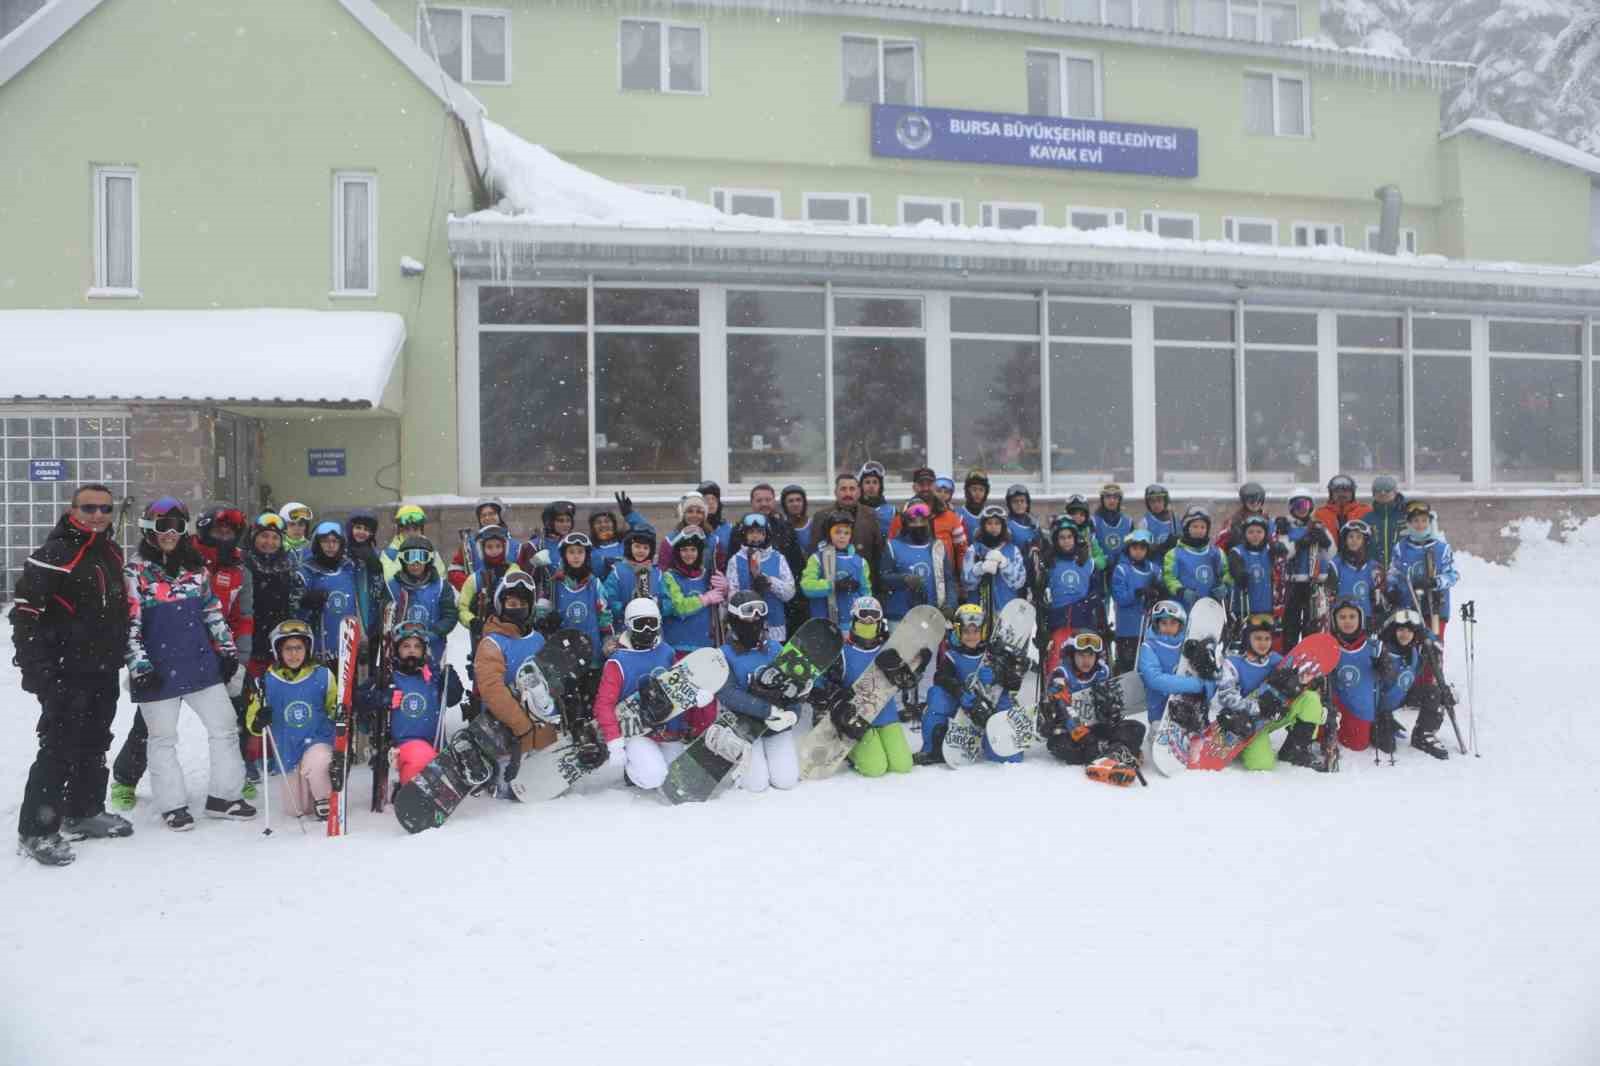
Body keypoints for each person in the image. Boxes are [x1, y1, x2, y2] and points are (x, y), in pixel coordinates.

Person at [12, 483, 133, 866]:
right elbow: (25, 615)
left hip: (102, 668)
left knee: (96, 740)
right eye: (89, 507)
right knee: (59, 745)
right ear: (72, 510)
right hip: (64, 670)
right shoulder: (53, 554)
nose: (97, 515)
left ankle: (84, 810)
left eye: (105, 508)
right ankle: (37, 829)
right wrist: (38, 671)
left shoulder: (109, 552)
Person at [112, 505, 257, 806]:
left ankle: (226, 793)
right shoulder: (136, 571)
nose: (170, 533)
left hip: (201, 659)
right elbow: (129, 624)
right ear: (149, 528)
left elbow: (216, 612)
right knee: (157, 734)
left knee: (226, 725)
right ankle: (153, 794)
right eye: (163, 525)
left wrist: (230, 653)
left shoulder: (202, 569)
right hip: (159, 663)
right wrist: (140, 667)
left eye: (177, 526)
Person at [471, 571, 562, 784]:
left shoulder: (537, 638)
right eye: (511, 603)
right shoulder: (492, 643)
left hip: (542, 730)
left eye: (522, 603)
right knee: (511, 788)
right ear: (501, 606)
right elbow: (493, 691)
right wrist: (521, 726)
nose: (517, 608)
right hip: (508, 734)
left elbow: (548, 679)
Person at [712, 591, 806, 793]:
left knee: (786, 780)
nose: (754, 619)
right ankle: (740, 758)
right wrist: (767, 710)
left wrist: (793, 714)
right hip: (744, 726)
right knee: (757, 784)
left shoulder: (775, 648)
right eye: (748, 614)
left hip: (775, 725)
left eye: (759, 613)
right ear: (734, 619)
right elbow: (728, 694)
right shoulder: (723, 655)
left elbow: (792, 685)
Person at [1211, 614, 1329, 771]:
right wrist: (1257, 707)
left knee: (1310, 698)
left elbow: (1297, 684)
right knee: (1262, 764)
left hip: (1274, 715)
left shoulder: (1276, 660)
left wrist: (1309, 684)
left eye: (1267, 639)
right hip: (1248, 723)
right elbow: (1227, 697)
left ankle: (1296, 750)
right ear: (1247, 639)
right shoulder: (1233, 664)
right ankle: (1243, 748)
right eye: (1258, 638)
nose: (1263, 643)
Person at [246, 619, 337, 819]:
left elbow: (333, 707)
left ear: (308, 649)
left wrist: (339, 714)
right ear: (278, 650)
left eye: (299, 648)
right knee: (297, 810)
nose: (294, 654)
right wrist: (258, 720)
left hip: (317, 740)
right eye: (288, 648)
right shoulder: (267, 681)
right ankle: (310, 796)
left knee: (318, 761)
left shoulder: (323, 676)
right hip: (287, 749)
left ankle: (325, 798)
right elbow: (253, 719)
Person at [590, 598, 683, 790]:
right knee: (654, 777)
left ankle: (651, 761)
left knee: (676, 777)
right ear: (629, 625)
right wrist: (614, 741)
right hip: (634, 732)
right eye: (640, 625)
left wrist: (696, 699)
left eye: (652, 624)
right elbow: (604, 705)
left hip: (664, 728)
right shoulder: (618, 662)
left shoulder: (666, 652)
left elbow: (679, 687)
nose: (647, 631)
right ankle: (633, 773)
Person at [913, 603, 1023, 766]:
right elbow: (941, 677)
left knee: (1006, 757)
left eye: (976, 631)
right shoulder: (953, 655)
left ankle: (995, 741)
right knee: (936, 695)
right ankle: (933, 749)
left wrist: (998, 675)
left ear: (984, 631)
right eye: (966, 632)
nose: (971, 636)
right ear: (958, 632)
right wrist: (958, 690)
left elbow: (1015, 683)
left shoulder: (995, 654)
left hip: (992, 708)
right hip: (965, 706)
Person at [365, 620, 464, 787]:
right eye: (406, 646)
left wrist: (449, 679)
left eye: (417, 647)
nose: (412, 650)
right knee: (421, 761)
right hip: (405, 744)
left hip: (436, 743)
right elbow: (362, 697)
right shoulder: (389, 677)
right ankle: (414, 792)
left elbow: (453, 699)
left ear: (424, 650)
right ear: (397, 649)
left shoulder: (432, 676)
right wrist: (383, 697)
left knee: (454, 764)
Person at [1036, 632, 1145, 781]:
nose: (1086, 660)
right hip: (1069, 732)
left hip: (1096, 727)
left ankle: (1112, 754)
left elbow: (1113, 708)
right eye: (1081, 655)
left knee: (1137, 727)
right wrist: (1081, 734)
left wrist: (1111, 711)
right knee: (1060, 746)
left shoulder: (1101, 673)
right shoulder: (1061, 675)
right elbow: (1062, 707)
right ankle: (1114, 753)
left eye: (1090, 656)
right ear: (1072, 655)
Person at [832, 597, 915, 778]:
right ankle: (851, 753)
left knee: (903, 765)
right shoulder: (843, 652)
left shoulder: (888, 649)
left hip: (887, 714)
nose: (869, 620)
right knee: (875, 768)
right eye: (863, 615)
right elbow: (830, 685)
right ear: (854, 618)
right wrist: (840, 700)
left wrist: (903, 673)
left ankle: (879, 741)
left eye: (874, 615)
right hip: (859, 719)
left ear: (880, 620)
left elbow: (908, 680)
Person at [1373, 608, 1450, 760]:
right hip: (1379, 704)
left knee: (1433, 692)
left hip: (1402, 696)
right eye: (1401, 629)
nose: (1405, 634)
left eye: (1409, 631)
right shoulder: (1383, 651)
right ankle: (1381, 723)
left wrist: (1432, 643)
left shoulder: (1414, 651)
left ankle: (1422, 734)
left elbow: (1427, 634)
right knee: (1388, 746)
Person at [1327, 599, 1395, 752]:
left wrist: (1384, 667)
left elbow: (1390, 676)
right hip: (1336, 707)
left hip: (1360, 709)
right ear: (1334, 621)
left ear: (1361, 619)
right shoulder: (1330, 645)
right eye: (1342, 617)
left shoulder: (1373, 646)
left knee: (1358, 745)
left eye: (1352, 617)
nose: (1348, 621)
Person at [1135, 600, 1216, 725]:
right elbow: (1155, 679)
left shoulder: (1187, 645)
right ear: (1157, 624)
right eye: (1163, 623)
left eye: (1173, 623)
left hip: (1188, 710)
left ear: (1181, 625)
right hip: (1160, 714)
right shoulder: (1149, 647)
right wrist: (1195, 685)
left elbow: (1207, 677)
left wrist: (1206, 688)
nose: (1168, 627)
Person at [1387, 500, 1458, 642]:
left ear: (1430, 522)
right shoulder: (1401, 548)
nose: (1420, 525)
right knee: (1411, 647)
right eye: (1416, 521)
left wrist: (1435, 582)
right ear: (1409, 524)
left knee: (1432, 648)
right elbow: (1393, 574)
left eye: (1424, 521)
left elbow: (1453, 575)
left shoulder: (1441, 548)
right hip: (1408, 606)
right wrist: (1391, 590)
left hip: (1434, 608)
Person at [385, 535, 457, 667]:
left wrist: (435, 632)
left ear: (429, 560)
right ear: (402, 560)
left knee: (431, 681)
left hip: (433, 648)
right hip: (402, 650)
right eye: (410, 557)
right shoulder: (393, 586)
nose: (415, 563)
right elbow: (386, 620)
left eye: (421, 557)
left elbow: (450, 615)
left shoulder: (441, 586)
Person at [1038, 517, 1099, 674]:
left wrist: (1087, 605)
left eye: (1069, 537)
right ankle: (1055, 692)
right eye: (1062, 538)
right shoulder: (1049, 563)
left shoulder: (1087, 562)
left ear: (1075, 538)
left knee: (1085, 661)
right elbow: (1040, 594)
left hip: (1084, 621)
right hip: (1059, 622)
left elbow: (1098, 592)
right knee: (1057, 661)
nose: (1066, 541)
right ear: (1056, 540)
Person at [299, 520, 365, 663]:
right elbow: (293, 607)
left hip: (346, 646)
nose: (330, 546)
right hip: (318, 647)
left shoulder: (349, 568)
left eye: (335, 541)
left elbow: (361, 604)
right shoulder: (307, 571)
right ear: (317, 544)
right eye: (325, 541)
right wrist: (305, 601)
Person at [725, 512, 797, 641]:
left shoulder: (778, 558)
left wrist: (769, 582)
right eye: (751, 532)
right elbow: (732, 595)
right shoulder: (736, 560)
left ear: (766, 534)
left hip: (774, 625)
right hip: (745, 624)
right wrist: (747, 595)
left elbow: (789, 593)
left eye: (759, 532)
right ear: (744, 535)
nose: (755, 536)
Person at [880, 501, 955, 623]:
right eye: (913, 521)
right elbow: (882, 578)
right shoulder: (892, 546)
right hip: (901, 616)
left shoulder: (937, 547)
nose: (919, 525)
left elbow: (948, 579)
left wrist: (950, 605)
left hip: (932, 615)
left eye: (923, 521)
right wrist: (903, 579)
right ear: (906, 523)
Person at [805, 474, 884, 585]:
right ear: (835, 492)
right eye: (843, 489)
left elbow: (878, 553)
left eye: (852, 489)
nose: (848, 494)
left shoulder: (871, 515)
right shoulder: (821, 516)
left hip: (863, 584)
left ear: (859, 492)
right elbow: (814, 551)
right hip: (830, 584)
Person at [1278, 493, 1333, 649]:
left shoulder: (1318, 527)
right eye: (1298, 506)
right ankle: (1290, 652)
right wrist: (1300, 544)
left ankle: (1313, 651)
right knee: (1291, 622)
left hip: (1316, 582)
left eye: (1306, 506)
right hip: (1295, 581)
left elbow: (1332, 554)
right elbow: (1284, 553)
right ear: (1291, 508)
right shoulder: (1288, 528)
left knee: (1313, 621)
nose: (1302, 510)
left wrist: (1324, 541)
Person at [662, 529, 727, 655]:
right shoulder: (669, 577)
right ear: (677, 552)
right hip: (678, 646)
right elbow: (677, 607)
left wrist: (725, 589)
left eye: (693, 550)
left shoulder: (707, 575)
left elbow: (722, 608)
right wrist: (705, 599)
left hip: (705, 644)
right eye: (684, 550)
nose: (689, 554)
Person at [546, 531, 613, 651]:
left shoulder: (595, 584)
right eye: (571, 552)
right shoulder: (554, 584)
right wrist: (547, 622)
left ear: (586, 556)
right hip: (562, 652)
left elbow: (604, 617)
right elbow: (542, 613)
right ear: (564, 556)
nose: (576, 556)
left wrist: (607, 640)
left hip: (592, 650)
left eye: (580, 552)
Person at [801, 511, 871, 623]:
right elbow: (807, 587)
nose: (842, 536)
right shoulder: (817, 558)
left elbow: (866, 594)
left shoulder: (860, 562)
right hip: (825, 622)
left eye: (847, 532)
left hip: (851, 622)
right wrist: (833, 586)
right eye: (837, 532)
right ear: (828, 533)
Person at [1109, 529, 1162, 674]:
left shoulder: (1154, 569)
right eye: (1135, 548)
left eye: (1142, 548)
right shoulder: (1122, 570)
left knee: (1147, 666)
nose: (1138, 551)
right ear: (1128, 548)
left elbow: (1162, 590)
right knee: (1127, 667)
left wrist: (1157, 591)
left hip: (1148, 629)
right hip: (1128, 630)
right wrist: (1138, 592)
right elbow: (1120, 597)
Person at [961, 504, 1027, 613]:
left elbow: (1020, 582)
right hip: (978, 612)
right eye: (989, 523)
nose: (993, 527)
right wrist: (979, 569)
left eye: (997, 523)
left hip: (1005, 611)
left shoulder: (1013, 550)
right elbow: (966, 582)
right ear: (983, 526)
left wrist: (1006, 565)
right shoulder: (974, 549)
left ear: (1003, 526)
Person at [1163, 507, 1229, 608]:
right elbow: (1169, 578)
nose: (1199, 530)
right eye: (1195, 526)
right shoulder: (1174, 554)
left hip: (1211, 609)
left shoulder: (1217, 553)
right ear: (1186, 528)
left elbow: (1227, 572)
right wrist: (1181, 590)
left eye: (1203, 527)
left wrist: (1225, 586)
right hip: (1183, 608)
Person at [448, 499, 522, 588]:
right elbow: (454, 571)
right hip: (479, 598)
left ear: (499, 516)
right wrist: (472, 584)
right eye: (483, 515)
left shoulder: (516, 546)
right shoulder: (470, 545)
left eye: (491, 514)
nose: (487, 518)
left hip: (508, 597)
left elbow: (524, 573)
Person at [344, 509, 388, 657]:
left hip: (370, 616)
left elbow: (379, 589)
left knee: (368, 661)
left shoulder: (376, 554)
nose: (362, 532)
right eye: (358, 528)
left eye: (366, 529)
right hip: (347, 614)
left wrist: (375, 568)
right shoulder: (342, 553)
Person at [1325, 519, 1384, 623]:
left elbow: (1379, 598)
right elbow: (1328, 596)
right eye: (1351, 536)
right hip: (1342, 622)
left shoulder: (1374, 567)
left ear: (1365, 541)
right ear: (1345, 540)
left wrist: (1377, 616)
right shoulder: (1335, 565)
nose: (1354, 540)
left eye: (1358, 537)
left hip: (1367, 621)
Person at [1225, 515, 1277, 631]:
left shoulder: (1269, 550)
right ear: (1244, 534)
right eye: (1251, 532)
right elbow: (1235, 568)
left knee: (1263, 638)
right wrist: (1240, 574)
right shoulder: (1237, 552)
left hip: (1265, 605)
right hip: (1244, 606)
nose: (1255, 535)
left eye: (1259, 532)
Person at [606, 527, 667, 609]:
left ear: (650, 551)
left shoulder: (657, 573)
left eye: (645, 548)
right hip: (625, 620)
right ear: (629, 547)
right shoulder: (618, 572)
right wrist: (626, 607)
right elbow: (608, 600)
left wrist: (659, 605)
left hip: (652, 619)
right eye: (637, 546)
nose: (641, 551)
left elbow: (668, 601)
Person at [382, 504, 446, 582]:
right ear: (400, 531)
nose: (411, 533)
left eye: (415, 529)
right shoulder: (390, 554)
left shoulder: (431, 553)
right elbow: (389, 580)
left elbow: (440, 578)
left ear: (421, 530)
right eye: (407, 529)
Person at [517, 500, 577, 574]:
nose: (565, 524)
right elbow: (522, 576)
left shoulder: (573, 543)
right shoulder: (534, 546)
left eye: (568, 520)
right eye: (560, 521)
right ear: (549, 522)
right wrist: (533, 564)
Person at [1366, 475, 1407, 575]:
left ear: (1395, 492)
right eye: (1378, 490)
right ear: (1373, 494)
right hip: (1374, 575)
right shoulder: (1367, 519)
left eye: (1387, 489)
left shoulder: (1407, 516)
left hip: (1402, 574)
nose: (1383, 493)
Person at [1090, 483, 1133, 577]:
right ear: (1102, 499)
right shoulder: (1093, 522)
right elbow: (1091, 548)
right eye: (1108, 497)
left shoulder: (1128, 522)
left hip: (1122, 571)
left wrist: (1121, 562)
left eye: (1115, 497)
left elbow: (1130, 547)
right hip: (1100, 573)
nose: (1112, 500)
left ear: (1119, 500)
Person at [1214, 482, 1269, 554]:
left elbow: (1272, 538)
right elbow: (1220, 544)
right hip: (1240, 557)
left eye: (1258, 501)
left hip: (1261, 557)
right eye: (1251, 502)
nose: (1255, 504)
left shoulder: (1266, 518)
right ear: (1244, 501)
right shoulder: (1234, 520)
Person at [1313, 475, 1372, 542]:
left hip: (1356, 551)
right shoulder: (1321, 513)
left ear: (1352, 493)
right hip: (1330, 551)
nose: (1341, 494)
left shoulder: (1364, 511)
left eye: (1346, 491)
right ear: (1331, 493)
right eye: (1337, 491)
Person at [1059, 495, 1107, 572]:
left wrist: (1090, 562)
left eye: (1081, 514)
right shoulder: (1060, 533)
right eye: (1073, 514)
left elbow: (1102, 561)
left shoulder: (1088, 535)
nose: (1077, 517)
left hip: (1085, 576)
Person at [1138, 484, 1179, 566]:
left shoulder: (1174, 519)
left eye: (1159, 500)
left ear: (1165, 501)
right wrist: (1159, 547)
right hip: (1154, 565)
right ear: (1148, 503)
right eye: (1152, 502)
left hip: (1172, 564)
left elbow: (1181, 541)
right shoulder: (1145, 522)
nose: (1156, 504)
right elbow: (1142, 548)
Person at [697, 481, 735, 564]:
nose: (711, 502)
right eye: (706, 499)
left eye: (713, 499)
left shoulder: (729, 528)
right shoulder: (694, 528)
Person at [1003, 484, 1040, 557]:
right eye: (1015, 501)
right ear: (1009, 504)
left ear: (1027, 503)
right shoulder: (1005, 525)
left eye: (1022, 501)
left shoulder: (1034, 524)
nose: (1019, 504)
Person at [858, 462, 895, 531]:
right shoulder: (854, 509)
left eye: (875, 482)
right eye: (867, 482)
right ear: (861, 486)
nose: (871, 486)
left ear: (880, 486)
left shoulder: (892, 512)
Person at [780, 484, 813, 555]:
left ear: (804, 503)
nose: (795, 504)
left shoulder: (814, 525)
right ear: (784, 505)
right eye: (790, 501)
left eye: (798, 500)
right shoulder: (780, 528)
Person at [958, 470, 991, 541]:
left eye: (981, 490)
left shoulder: (990, 514)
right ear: (967, 491)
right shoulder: (958, 515)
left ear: (986, 493)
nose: (978, 493)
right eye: (974, 489)